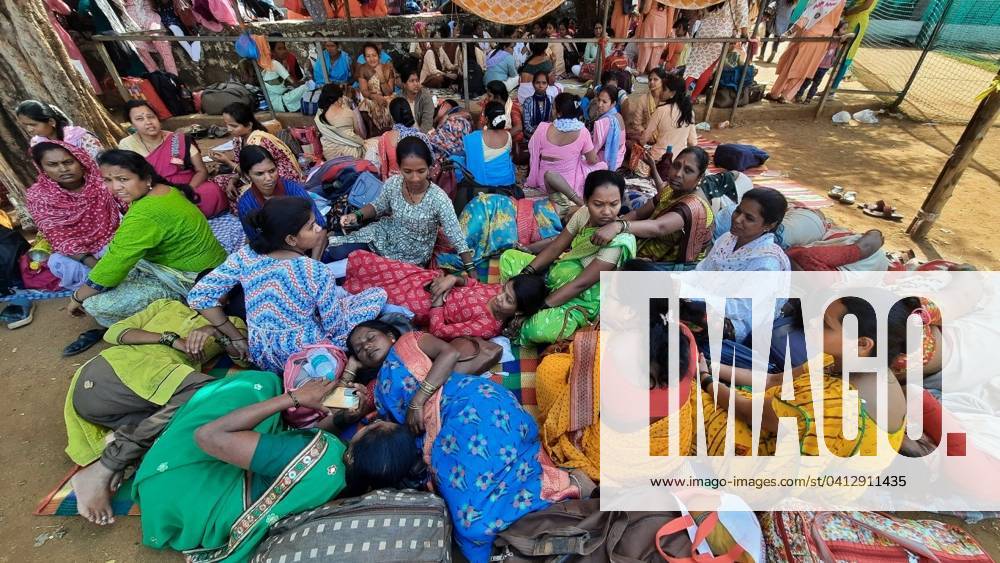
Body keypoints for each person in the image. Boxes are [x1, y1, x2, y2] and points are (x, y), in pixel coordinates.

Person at [344, 323, 586, 562]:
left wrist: (419, 399)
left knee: (474, 502)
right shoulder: (376, 393)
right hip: (441, 438)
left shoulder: (410, 342)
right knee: (467, 515)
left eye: (370, 337)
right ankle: (528, 526)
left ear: (390, 335)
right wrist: (352, 377)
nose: (366, 346)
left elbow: (450, 354)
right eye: (359, 349)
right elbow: (395, 436)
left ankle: (548, 494)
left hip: (467, 403)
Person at [63, 297, 247, 526]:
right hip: (117, 371)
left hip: (138, 402)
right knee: (212, 392)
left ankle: (120, 446)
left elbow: (244, 358)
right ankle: (107, 465)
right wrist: (170, 340)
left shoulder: (233, 323)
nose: (206, 298)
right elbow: (114, 333)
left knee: (182, 432)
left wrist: (214, 330)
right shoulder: (167, 305)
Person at [134, 373, 357, 560]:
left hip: (176, 490)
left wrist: (294, 397)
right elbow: (300, 452)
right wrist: (343, 418)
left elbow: (207, 436)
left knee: (261, 383)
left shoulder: (323, 453)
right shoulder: (338, 474)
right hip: (210, 519)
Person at [189, 197, 387, 373]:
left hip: (261, 353)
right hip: (304, 356)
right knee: (377, 294)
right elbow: (333, 328)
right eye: (310, 226)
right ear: (291, 239)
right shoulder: (316, 271)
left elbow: (199, 296)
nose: (318, 227)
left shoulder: (246, 255)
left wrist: (236, 337)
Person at [699, 296, 911, 457]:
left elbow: (748, 412)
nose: (811, 323)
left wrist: (705, 379)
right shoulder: (846, 362)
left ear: (863, 344)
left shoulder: (833, 402)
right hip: (767, 415)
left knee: (683, 401)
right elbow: (772, 380)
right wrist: (709, 367)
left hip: (776, 472)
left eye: (825, 325)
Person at [66, 150, 227, 354]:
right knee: (115, 269)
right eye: (108, 180)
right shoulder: (163, 190)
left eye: (123, 179)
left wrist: (77, 298)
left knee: (95, 304)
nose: (115, 187)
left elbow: (114, 265)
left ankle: (181, 308)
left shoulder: (146, 212)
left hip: (192, 280)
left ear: (146, 178)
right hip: (202, 266)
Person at [535, 311, 701, 479]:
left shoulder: (617, 374)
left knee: (549, 370)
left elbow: (587, 401)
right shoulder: (686, 344)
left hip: (607, 452)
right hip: (665, 451)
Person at [500, 170, 637, 344]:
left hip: (580, 298)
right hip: (554, 275)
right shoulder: (583, 214)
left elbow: (582, 283)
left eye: (614, 204)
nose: (607, 212)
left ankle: (518, 309)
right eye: (598, 204)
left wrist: (538, 308)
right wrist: (525, 274)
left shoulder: (619, 241)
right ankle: (515, 301)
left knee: (537, 329)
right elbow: (557, 246)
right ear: (586, 201)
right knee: (509, 258)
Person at [332, 137, 473, 268]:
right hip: (383, 236)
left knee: (360, 269)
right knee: (336, 251)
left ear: (430, 169)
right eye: (407, 171)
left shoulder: (439, 199)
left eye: (421, 171)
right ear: (399, 168)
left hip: (411, 258)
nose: (415, 178)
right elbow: (378, 206)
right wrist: (356, 215)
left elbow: (457, 237)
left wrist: (470, 269)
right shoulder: (393, 184)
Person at [345, 251, 548, 339]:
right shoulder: (497, 292)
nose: (500, 296)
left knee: (377, 294)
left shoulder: (487, 327)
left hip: (426, 306)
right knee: (379, 266)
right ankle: (324, 271)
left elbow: (440, 331)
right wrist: (453, 280)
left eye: (508, 300)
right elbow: (472, 283)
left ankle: (336, 292)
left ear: (518, 311)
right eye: (505, 289)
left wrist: (437, 303)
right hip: (433, 282)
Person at [26, 141, 123, 291]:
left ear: (81, 160)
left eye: (68, 162)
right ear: (42, 168)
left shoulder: (102, 183)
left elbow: (129, 209)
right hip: (76, 253)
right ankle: (93, 291)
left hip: (113, 238)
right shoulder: (39, 196)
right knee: (58, 263)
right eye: (53, 164)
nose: (63, 169)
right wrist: (93, 264)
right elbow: (58, 237)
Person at [608, 147, 714, 269]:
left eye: (688, 170)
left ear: (699, 177)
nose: (678, 174)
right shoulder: (669, 190)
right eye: (676, 165)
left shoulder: (694, 206)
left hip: (668, 266)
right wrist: (615, 223)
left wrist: (618, 227)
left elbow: (659, 227)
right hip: (645, 247)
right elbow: (638, 214)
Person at [118, 100, 228, 218]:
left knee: (212, 191)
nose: (148, 122)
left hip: (189, 189)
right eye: (140, 119)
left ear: (158, 118)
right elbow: (133, 178)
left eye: (151, 116)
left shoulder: (178, 139)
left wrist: (186, 191)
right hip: (156, 194)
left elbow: (201, 171)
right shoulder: (127, 145)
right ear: (132, 124)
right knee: (151, 209)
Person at [234, 146, 327, 255]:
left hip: (307, 248)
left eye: (272, 171)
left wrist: (313, 264)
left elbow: (321, 228)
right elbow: (256, 240)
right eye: (259, 174)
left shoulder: (294, 190)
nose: (268, 178)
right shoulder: (246, 204)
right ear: (246, 175)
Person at [526, 93, 605, 221]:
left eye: (553, 108)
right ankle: (578, 202)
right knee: (601, 165)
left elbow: (532, 150)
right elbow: (592, 160)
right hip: (569, 185)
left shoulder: (542, 128)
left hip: (543, 182)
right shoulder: (583, 132)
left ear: (559, 113)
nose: (551, 110)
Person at [437, 192, 562, 270]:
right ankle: (435, 239)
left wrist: (522, 248)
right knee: (456, 240)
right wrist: (576, 199)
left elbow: (528, 249)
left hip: (507, 232)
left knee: (464, 253)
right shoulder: (562, 201)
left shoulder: (564, 237)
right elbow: (550, 175)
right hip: (500, 206)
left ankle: (435, 251)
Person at [211, 102, 303, 200]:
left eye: (234, 126)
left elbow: (256, 171)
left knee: (243, 197)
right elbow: (245, 170)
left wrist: (227, 162)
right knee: (219, 181)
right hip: (257, 176)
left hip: (277, 179)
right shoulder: (238, 140)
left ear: (249, 125)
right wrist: (232, 180)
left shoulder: (259, 142)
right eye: (227, 124)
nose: (229, 129)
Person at [767, 0, 846, 103]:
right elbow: (835, 23)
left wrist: (789, 32)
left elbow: (806, 16)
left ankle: (775, 93)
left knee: (791, 64)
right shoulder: (841, 1)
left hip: (808, 34)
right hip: (823, 39)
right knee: (805, 67)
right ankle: (786, 96)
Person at [684, 0, 750, 99]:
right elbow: (742, 14)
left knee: (693, 66)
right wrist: (744, 34)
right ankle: (692, 98)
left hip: (704, 30)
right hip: (722, 32)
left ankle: (681, 97)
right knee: (707, 68)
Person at [453, 101, 515, 188]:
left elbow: (469, 156)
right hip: (506, 182)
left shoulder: (474, 137)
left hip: (483, 184)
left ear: (486, 119)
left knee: (455, 159)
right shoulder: (508, 135)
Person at [16, 100, 104, 159]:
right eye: (25, 125)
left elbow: (101, 165)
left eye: (33, 124)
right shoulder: (36, 143)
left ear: (51, 121)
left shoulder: (82, 139)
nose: (29, 129)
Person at [641, 72, 698, 163]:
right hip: (679, 160)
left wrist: (638, 146)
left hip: (659, 158)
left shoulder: (661, 110)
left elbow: (645, 137)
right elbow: (693, 142)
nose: (661, 92)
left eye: (664, 89)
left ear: (672, 93)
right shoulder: (689, 111)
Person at [377, 98, 435, 180]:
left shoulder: (384, 138)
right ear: (410, 113)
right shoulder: (421, 137)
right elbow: (431, 162)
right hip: (418, 183)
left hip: (394, 185)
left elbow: (384, 170)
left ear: (391, 117)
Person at [794, 20, 848, 102]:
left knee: (816, 83)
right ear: (837, 28)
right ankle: (798, 95)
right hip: (816, 64)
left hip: (825, 66)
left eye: (846, 29)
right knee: (807, 81)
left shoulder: (840, 39)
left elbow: (852, 35)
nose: (845, 31)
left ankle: (809, 98)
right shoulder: (828, 36)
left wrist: (847, 35)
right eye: (844, 29)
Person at [832, 0, 880, 90]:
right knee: (837, 53)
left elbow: (865, 6)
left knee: (845, 55)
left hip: (857, 22)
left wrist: (847, 12)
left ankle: (832, 90)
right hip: (849, 20)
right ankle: (829, 88)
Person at [314, 83, 365, 160]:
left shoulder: (318, 117)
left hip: (330, 156)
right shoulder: (348, 112)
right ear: (338, 99)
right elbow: (359, 135)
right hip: (350, 155)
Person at [357, 43, 396, 137]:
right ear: (365, 58)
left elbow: (389, 92)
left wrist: (381, 75)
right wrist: (374, 96)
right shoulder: (363, 69)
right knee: (365, 105)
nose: (372, 59)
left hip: (387, 97)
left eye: (374, 55)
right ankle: (373, 134)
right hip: (371, 98)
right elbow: (364, 90)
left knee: (392, 103)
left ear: (379, 55)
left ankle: (391, 133)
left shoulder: (387, 68)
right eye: (368, 56)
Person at [259, 41, 308, 113]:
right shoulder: (274, 63)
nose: (284, 51)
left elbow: (286, 84)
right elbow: (294, 83)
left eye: (284, 48)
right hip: (281, 102)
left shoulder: (271, 64)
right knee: (308, 87)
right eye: (279, 49)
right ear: (273, 52)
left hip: (275, 104)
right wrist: (306, 83)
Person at [623, 67, 668, 144]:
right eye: (650, 80)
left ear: (663, 81)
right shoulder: (643, 99)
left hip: (664, 135)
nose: (652, 82)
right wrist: (647, 134)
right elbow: (637, 124)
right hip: (645, 133)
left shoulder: (667, 99)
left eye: (655, 79)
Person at [590, 86, 627, 172]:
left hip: (607, 162)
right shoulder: (618, 116)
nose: (599, 105)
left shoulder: (605, 121)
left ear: (613, 103)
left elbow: (594, 149)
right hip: (618, 158)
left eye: (604, 102)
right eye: (599, 100)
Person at [636, 0, 675, 74]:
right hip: (663, 23)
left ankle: (640, 70)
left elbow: (646, 10)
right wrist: (668, 32)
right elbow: (671, 15)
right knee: (658, 49)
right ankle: (652, 70)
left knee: (646, 47)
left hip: (651, 20)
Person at [400, 66, 436, 133]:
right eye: (411, 81)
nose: (416, 84)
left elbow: (427, 124)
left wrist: (418, 137)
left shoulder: (425, 96)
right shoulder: (400, 99)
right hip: (405, 134)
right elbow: (398, 124)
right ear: (404, 84)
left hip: (424, 134)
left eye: (417, 80)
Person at [521, 71, 554, 140]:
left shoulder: (552, 100)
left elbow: (554, 120)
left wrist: (546, 132)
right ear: (533, 84)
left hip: (549, 134)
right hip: (533, 134)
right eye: (537, 83)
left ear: (547, 85)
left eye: (544, 83)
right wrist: (538, 132)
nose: (540, 86)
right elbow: (527, 125)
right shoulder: (528, 101)